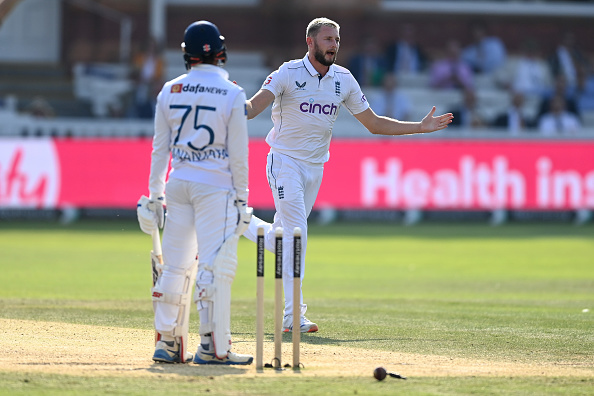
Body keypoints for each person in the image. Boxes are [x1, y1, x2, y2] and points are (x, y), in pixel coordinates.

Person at [242, 17, 453, 333]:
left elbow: (374, 123)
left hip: (315, 168)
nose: (334, 45)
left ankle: (238, 220)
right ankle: (292, 316)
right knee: (298, 235)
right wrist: (229, 100)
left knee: (283, 240)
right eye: (328, 39)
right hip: (284, 162)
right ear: (310, 42)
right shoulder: (288, 72)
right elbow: (253, 108)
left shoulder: (343, 79)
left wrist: (418, 128)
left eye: (337, 40)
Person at [136, 20, 253, 365]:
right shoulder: (232, 92)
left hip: (179, 182)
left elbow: (160, 150)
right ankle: (213, 347)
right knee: (214, 267)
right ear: (220, 53)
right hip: (215, 188)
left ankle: (168, 343)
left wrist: (155, 194)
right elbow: (238, 154)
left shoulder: (170, 90)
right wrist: (243, 198)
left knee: (174, 266)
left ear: (186, 54)